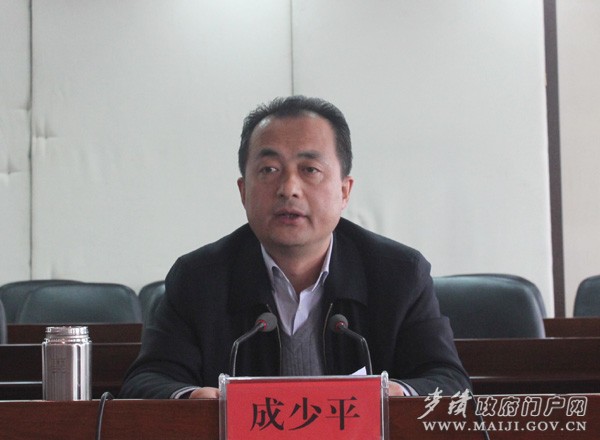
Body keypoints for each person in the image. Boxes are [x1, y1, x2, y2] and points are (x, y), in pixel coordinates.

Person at [120, 96, 470, 399]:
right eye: (269, 169)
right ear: (243, 191)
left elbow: (449, 380)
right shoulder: (198, 278)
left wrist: (398, 395)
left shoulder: (399, 273)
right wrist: (190, 398)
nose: (289, 188)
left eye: (310, 169)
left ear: (344, 191)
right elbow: (146, 381)